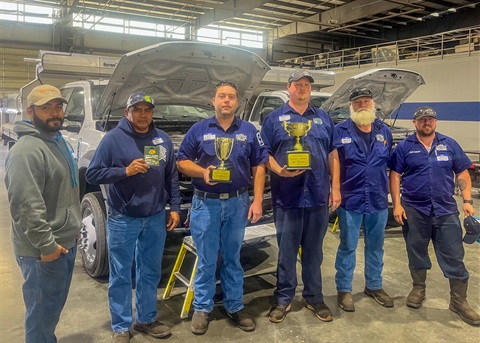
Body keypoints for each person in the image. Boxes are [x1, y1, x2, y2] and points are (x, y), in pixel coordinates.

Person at [85, 91, 181, 342]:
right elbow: (92, 175)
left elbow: (171, 175)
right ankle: (120, 325)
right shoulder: (112, 140)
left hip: (155, 217)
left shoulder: (162, 139)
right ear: (126, 113)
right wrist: (124, 171)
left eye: (147, 110)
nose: (142, 115)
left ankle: (146, 319)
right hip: (123, 217)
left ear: (152, 113)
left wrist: (175, 207)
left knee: (150, 271)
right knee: (120, 273)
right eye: (136, 110)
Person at [177, 81, 268, 335]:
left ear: (237, 102)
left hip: (238, 202)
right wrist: (202, 172)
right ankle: (202, 307)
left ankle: (235, 305)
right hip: (205, 203)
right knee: (206, 259)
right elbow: (182, 161)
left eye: (231, 97)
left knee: (233, 257)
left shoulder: (249, 130)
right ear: (213, 101)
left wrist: (257, 200)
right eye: (221, 96)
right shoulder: (199, 129)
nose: (226, 100)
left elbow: (259, 166)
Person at [260, 69, 341, 323]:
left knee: (314, 252)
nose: (303, 88)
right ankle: (283, 298)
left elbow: (333, 154)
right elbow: (264, 154)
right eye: (298, 84)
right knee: (286, 250)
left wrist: (335, 187)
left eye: (307, 84)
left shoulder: (323, 118)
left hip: (317, 195)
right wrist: (280, 171)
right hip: (287, 197)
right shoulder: (274, 119)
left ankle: (314, 297)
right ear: (289, 87)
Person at [389, 106, 480, 326]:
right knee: (416, 251)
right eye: (422, 120)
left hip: (445, 209)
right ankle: (419, 289)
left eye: (430, 119)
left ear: (435, 122)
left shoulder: (448, 144)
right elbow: (395, 175)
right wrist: (397, 205)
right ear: (415, 123)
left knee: (453, 254)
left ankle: (459, 302)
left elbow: (462, 171)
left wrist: (467, 201)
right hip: (415, 210)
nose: (426, 123)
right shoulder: (404, 147)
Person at [4, 84, 81, 343]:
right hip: (41, 252)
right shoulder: (26, 150)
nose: (54, 113)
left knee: (49, 314)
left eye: (58, 106)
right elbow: (25, 206)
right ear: (30, 111)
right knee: (40, 318)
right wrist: (47, 246)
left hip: (62, 244)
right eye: (46, 107)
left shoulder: (56, 141)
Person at [333, 87, 394, 312]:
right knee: (348, 246)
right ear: (351, 106)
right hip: (351, 198)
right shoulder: (339, 131)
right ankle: (344, 289)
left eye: (366, 101)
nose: (362, 105)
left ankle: (374, 286)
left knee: (376, 246)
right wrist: (335, 190)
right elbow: (334, 162)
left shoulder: (384, 131)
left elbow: (389, 164)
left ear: (373, 104)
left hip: (378, 198)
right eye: (357, 102)